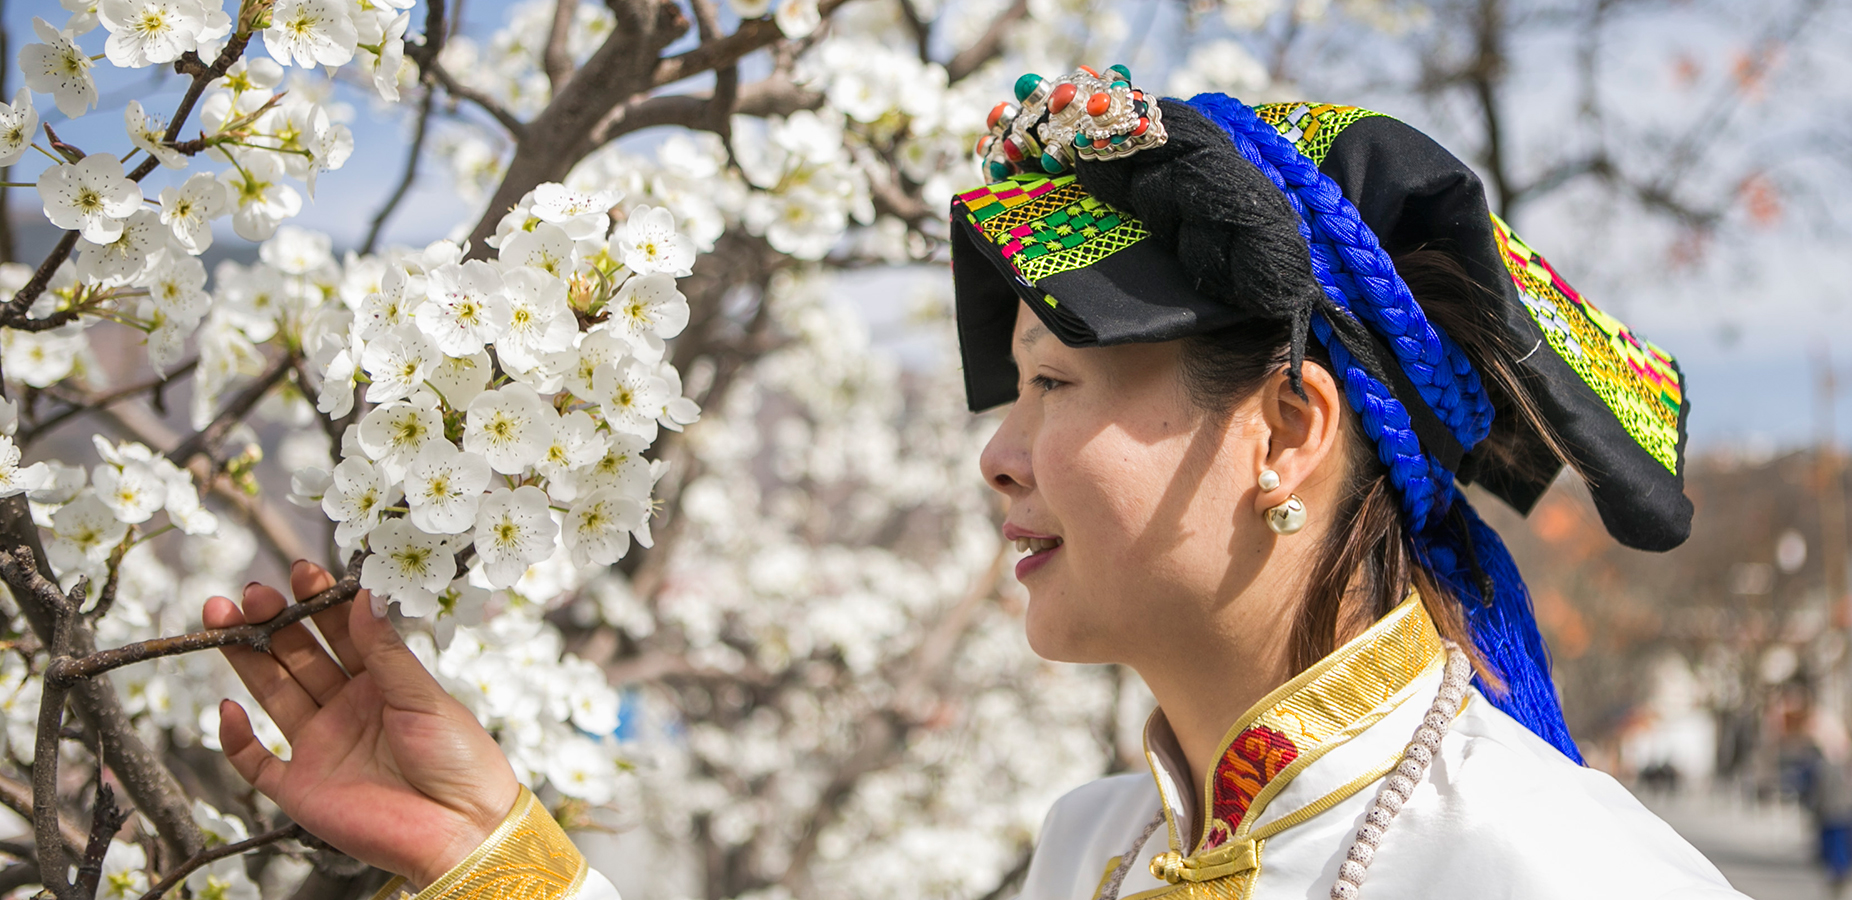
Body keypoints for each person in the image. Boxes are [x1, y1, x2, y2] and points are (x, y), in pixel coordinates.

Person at [204, 70, 1746, 900]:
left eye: (1060, 383)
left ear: (1286, 433)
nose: (999, 451)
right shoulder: (1099, 851)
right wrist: (495, 849)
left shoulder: (1543, 870)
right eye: (1013, 389)